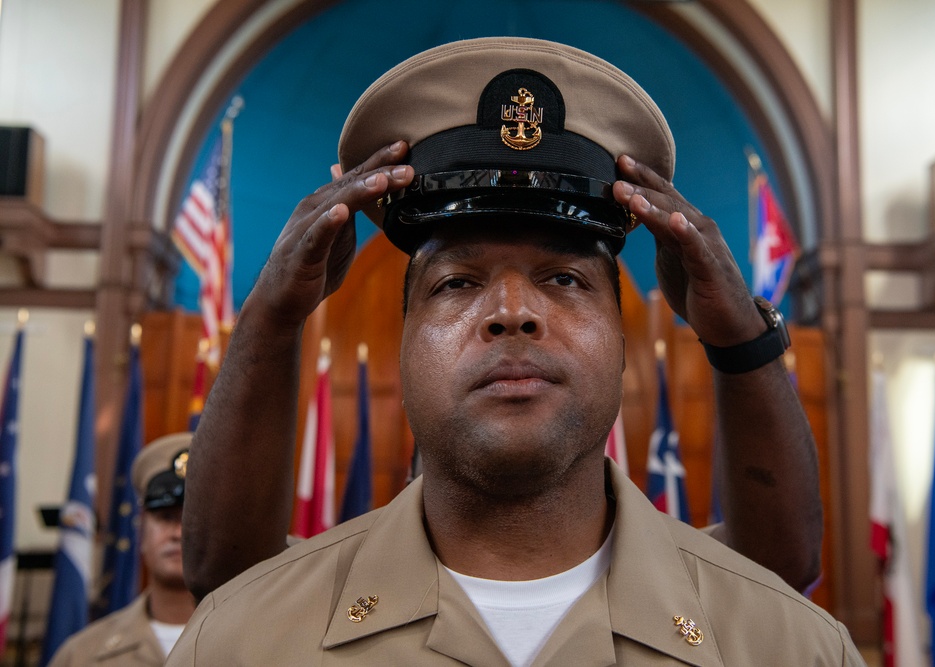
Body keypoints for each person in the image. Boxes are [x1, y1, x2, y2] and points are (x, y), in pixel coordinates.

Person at [171, 37, 860, 665]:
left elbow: (778, 565)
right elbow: (221, 566)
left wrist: (741, 332)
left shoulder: (794, 645)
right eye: (457, 282)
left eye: (563, 279)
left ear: (623, 344)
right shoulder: (242, 639)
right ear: (403, 342)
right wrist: (270, 314)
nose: (511, 312)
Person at [50, 433, 195, 666]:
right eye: (165, 517)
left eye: (191, 519)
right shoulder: (81, 655)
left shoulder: (259, 647)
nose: (177, 533)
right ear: (141, 531)